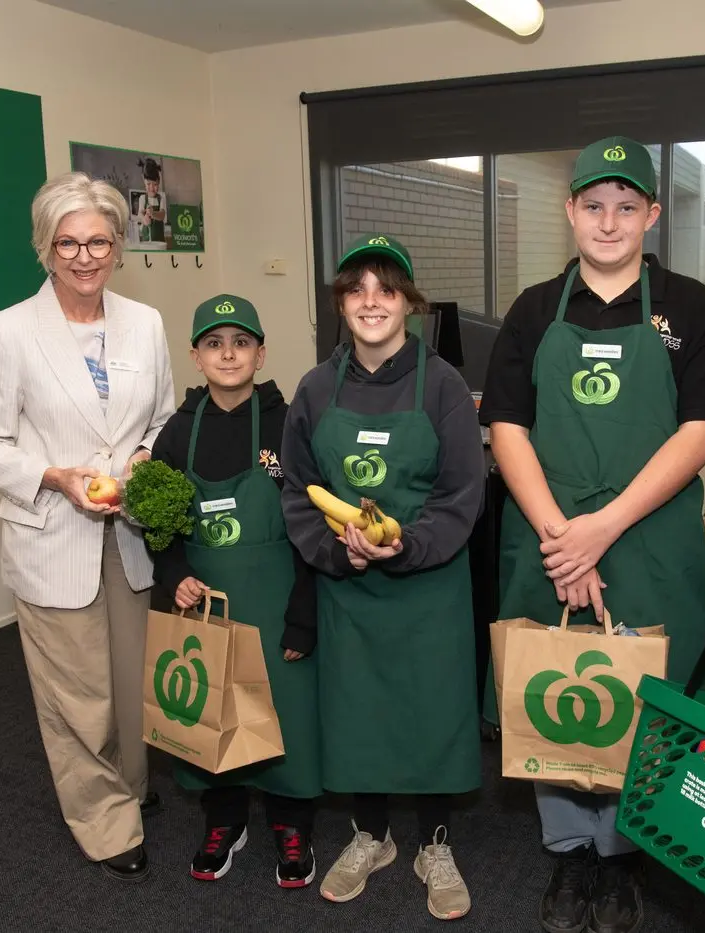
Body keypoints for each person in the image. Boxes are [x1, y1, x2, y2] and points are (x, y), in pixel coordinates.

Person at [479, 136, 705, 933]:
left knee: (646, 695)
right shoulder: (532, 309)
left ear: (651, 214)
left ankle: (625, 853)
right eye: (593, 205)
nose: (608, 221)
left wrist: (602, 529)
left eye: (626, 207)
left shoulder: (690, 307)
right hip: (548, 532)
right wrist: (563, 537)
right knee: (557, 684)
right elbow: (505, 428)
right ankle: (572, 853)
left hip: (648, 537)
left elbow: (701, 432)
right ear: (570, 211)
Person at [0, 171, 176, 882]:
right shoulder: (9, 331)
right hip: (56, 531)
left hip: (129, 532)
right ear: (45, 249)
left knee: (129, 676)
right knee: (76, 693)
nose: (84, 257)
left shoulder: (144, 323)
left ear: (118, 244)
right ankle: (103, 818)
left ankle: (133, 783)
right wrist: (57, 477)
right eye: (67, 244)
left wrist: (145, 458)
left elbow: (164, 416)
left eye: (98, 241)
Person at [281, 234, 484, 921]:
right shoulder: (313, 388)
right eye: (357, 289)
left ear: (408, 302)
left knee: (431, 711)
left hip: (427, 589)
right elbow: (297, 492)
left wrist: (406, 545)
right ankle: (371, 834)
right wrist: (339, 552)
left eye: (386, 288)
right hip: (347, 588)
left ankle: (433, 843)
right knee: (357, 713)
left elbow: (461, 493)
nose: (371, 301)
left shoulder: (444, 385)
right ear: (340, 303)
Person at [148, 294, 321, 889]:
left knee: (285, 712)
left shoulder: (290, 421)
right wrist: (174, 575)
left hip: (277, 595)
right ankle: (223, 818)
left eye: (241, 343)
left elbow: (313, 521)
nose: (228, 354)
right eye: (214, 344)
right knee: (212, 705)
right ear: (195, 356)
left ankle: (290, 823)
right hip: (206, 595)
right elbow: (159, 518)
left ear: (261, 353)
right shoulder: (176, 432)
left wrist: (304, 611)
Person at [139, 157, 167, 244]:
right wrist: (144, 219)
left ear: (159, 182)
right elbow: (140, 214)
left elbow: (162, 215)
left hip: (159, 241)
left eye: (155, 184)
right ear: (144, 182)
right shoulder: (143, 198)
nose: (151, 188)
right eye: (148, 184)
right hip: (146, 241)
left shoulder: (161, 198)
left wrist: (152, 213)